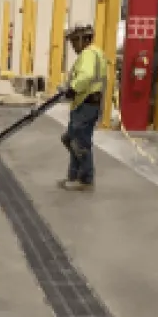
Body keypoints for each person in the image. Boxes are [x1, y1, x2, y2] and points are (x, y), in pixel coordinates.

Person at [59, 23, 106, 191]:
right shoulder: (96, 53)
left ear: (82, 39)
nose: (72, 46)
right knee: (72, 139)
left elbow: (86, 75)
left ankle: (85, 179)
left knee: (79, 142)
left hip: (86, 105)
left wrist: (73, 88)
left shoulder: (88, 54)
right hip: (86, 104)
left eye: (74, 42)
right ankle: (74, 176)